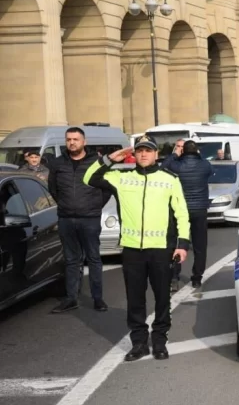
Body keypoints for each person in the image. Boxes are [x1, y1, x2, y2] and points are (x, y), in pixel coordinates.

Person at [83, 134, 190, 361]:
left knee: (162, 297)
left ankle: (160, 341)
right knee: (135, 299)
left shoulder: (169, 179)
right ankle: (139, 343)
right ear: (134, 154)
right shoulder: (122, 178)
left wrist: (182, 245)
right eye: (139, 150)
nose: (143, 154)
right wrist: (111, 158)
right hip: (132, 250)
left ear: (156, 154)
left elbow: (181, 213)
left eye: (148, 150)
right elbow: (89, 177)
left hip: (161, 249)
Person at [48, 127, 111, 314]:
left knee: (93, 258)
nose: (72, 142)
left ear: (84, 141)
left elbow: (107, 188)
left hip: (90, 218)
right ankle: (71, 298)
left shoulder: (96, 162)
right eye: (68, 139)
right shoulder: (57, 163)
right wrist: (65, 205)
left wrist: (95, 204)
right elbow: (53, 188)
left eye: (76, 139)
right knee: (71, 260)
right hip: (66, 218)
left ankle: (98, 299)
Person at [161, 140, 212, 290]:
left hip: (180, 209)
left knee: (176, 243)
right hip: (199, 210)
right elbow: (208, 169)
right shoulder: (205, 165)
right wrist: (199, 156)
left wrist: (175, 155)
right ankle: (197, 278)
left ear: (183, 151)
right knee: (200, 246)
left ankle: (174, 277)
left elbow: (162, 167)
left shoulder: (176, 166)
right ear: (197, 151)